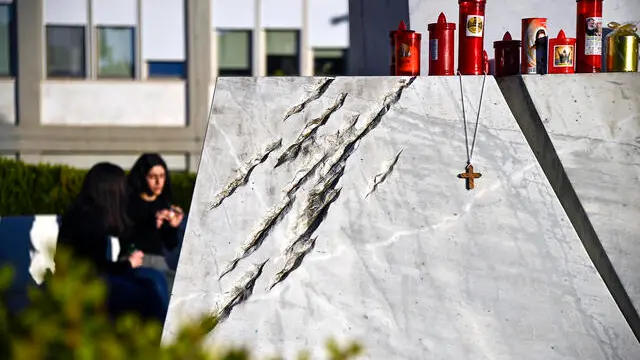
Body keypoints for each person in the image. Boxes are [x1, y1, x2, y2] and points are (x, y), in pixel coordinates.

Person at [55, 162, 169, 323]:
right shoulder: (88, 220)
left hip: (91, 278)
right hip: (83, 285)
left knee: (155, 278)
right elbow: (95, 269)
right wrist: (128, 263)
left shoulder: (91, 213)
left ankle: (164, 332)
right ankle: (159, 337)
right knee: (147, 294)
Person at [127, 153, 185, 290]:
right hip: (135, 259)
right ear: (142, 177)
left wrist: (173, 227)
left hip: (158, 261)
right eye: (153, 177)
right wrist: (153, 224)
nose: (159, 182)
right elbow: (128, 237)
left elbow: (170, 245)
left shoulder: (163, 204)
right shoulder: (129, 202)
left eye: (162, 176)